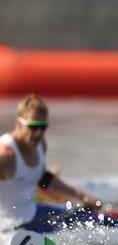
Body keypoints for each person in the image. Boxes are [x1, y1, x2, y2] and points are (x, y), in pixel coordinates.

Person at [0, 94, 111, 233]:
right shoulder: (6, 155)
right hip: (10, 228)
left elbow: (43, 180)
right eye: (33, 127)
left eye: (43, 127)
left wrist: (82, 197)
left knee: (94, 219)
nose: (38, 133)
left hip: (33, 213)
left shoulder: (40, 144)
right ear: (19, 123)